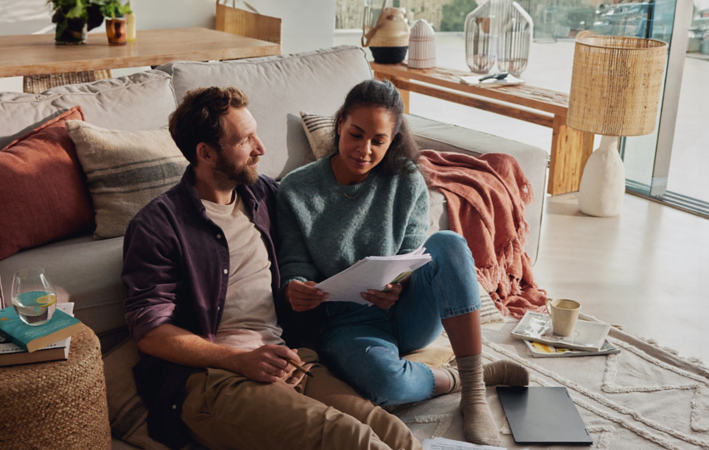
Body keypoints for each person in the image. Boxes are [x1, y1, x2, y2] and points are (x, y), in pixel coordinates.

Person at [122, 86, 422, 450]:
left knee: (393, 432)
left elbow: (321, 232)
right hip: (214, 379)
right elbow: (151, 332)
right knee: (352, 439)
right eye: (246, 140)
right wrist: (241, 360)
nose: (261, 148)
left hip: (289, 359)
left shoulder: (263, 195)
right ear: (206, 153)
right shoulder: (157, 225)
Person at [276, 79, 530, 446]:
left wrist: (399, 285)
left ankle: (474, 396)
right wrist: (294, 287)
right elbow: (293, 262)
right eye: (355, 134)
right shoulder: (297, 189)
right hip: (345, 322)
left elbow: (416, 255)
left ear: (392, 140)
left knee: (448, 242)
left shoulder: (406, 178)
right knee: (386, 386)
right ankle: (456, 378)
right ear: (339, 124)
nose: (364, 150)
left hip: (406, 313)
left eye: (378, 141)